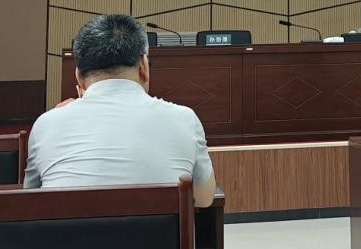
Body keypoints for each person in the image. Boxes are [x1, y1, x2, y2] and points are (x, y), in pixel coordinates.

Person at [25, 14, 217, 207]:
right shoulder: (185, 119)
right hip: (156, 228)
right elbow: (204, 199)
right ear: (143, 66)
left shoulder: (46, 125)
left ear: (78, 76)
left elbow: (29, 202)